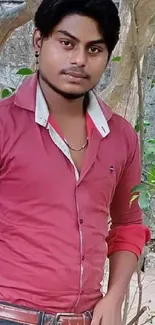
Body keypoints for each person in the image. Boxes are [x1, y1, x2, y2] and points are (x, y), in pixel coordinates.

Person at [0, 0, 151, 325]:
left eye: (94, 49)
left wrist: (114, 298)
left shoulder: (121, 137)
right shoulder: (3, 125)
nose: (79, 60)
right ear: (39, 41)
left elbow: (128, 225)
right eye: (67, 43)